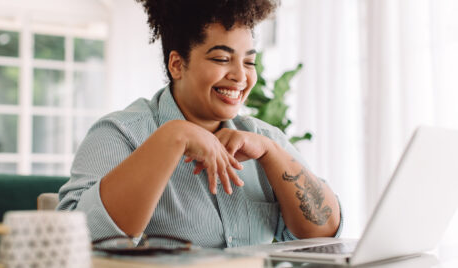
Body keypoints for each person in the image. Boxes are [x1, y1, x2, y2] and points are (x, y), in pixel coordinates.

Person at [57, 0, 343, 248]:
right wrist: (172, 137)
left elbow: (325, 234)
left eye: (249, 63)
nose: (240, 76)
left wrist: (272, 154)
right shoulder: (119, 134)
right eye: (221, 58)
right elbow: (76, 242)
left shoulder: (263, 139)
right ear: (177, 65)